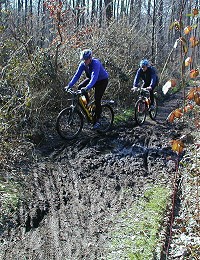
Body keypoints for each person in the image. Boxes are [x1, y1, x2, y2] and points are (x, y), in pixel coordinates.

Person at [65, 49, 109, 130]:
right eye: (83, 60)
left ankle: (98, 120)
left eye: (86, 60)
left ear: (90, 58)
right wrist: (69, 85)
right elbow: (77, 75)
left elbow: (94, 77)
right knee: (80, 87)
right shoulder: (83, 64)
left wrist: (87, 87)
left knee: (97, 98)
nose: (84, 61)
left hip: (102, 81)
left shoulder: (96, 63)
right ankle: (88, 106)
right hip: (92, 79)